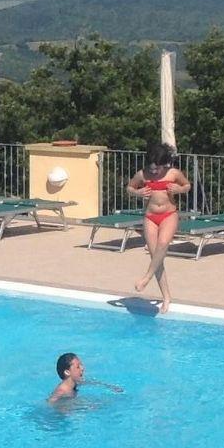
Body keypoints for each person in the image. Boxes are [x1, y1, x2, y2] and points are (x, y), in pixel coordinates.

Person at [128, 142, 191, 314]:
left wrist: (179, 189)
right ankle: (166, 296)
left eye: (158, 169)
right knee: (156, 257)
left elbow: (187, 185)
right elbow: (130, 187)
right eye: (152, 168)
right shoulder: (142, 174)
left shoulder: (173, 173)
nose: (154, 172)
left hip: (168, 215)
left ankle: (146, 277)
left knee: (162, 244)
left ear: (165, 163)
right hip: (150, 217)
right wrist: (137, 193)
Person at [47, 351, 123, 403]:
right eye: (78, 367)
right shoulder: (62, 391)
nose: (82, 368)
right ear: (67, 372)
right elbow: (50, 404)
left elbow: (90, 382)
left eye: (81, 365)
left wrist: (110, 386)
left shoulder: (75, 382)